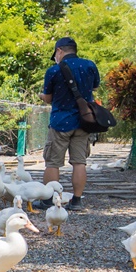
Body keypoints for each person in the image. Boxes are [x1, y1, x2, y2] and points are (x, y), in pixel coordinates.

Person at [41, 35, 104, 208]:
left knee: (53, 162)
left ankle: (49, 200)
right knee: (79, 162)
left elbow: (48, 98)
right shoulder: (90, 65)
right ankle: (76, 200)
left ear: (59, 51)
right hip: (84, 122)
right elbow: (95, 87)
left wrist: (42, 96)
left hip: (60, 122)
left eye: (55, 54)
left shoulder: (54, 71)